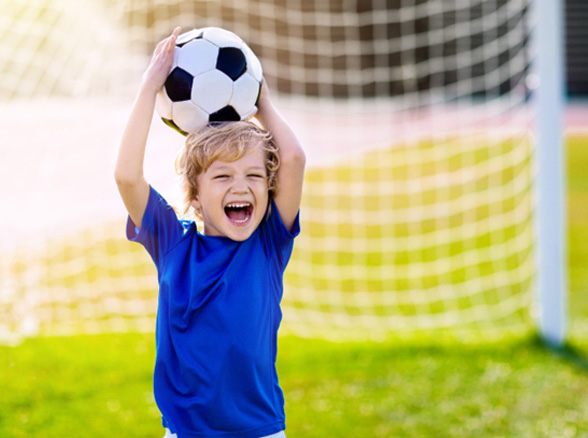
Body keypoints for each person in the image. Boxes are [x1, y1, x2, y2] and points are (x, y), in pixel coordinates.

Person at [114, 27, 306, 438]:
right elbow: (127, 176)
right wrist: (149, 87)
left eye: (254, 175)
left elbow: (292, 158)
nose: (241, 186)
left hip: (261, 432)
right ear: (195, 196)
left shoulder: (269, 244)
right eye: (223, 176)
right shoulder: (172, 244)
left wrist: (262, 103)